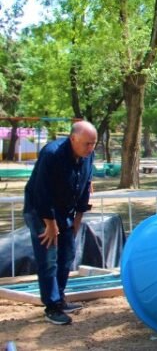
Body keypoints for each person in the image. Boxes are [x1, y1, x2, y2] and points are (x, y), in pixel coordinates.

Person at [23, 121, 98, 325]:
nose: (90, 148)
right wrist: (50, 224)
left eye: (94, 144)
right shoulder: (52, 154)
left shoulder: (88, 156)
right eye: (87, 144)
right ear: (73, 139)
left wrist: (77, 221)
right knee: (49, 258)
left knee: (67, 255)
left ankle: (60, 297)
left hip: (66, 211)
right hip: (41, 212)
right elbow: (41, 192)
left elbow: (84, 188)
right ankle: (52, 306)